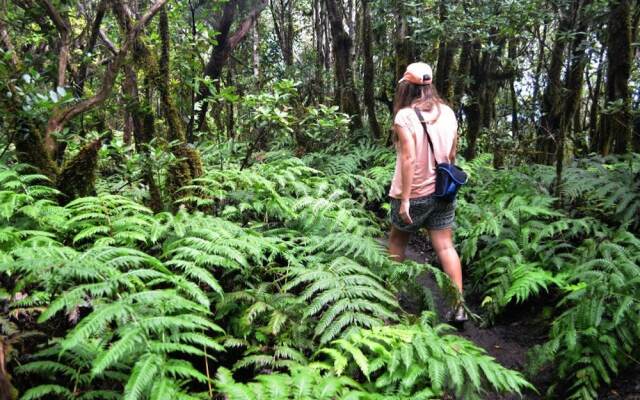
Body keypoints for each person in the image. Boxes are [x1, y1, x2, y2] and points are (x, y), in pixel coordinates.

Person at [387, 62, 467, 323]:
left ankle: (390, 298)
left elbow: (409, 159)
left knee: (398, 241)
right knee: (445, 246)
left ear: (407, 87)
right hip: (444, 191)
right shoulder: (448, 113)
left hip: (415, 193)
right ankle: (458, 307)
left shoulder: (404, 117)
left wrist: (406, 200)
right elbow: (452, 153)